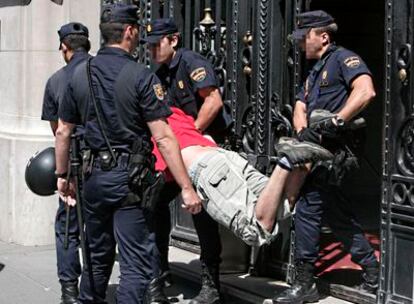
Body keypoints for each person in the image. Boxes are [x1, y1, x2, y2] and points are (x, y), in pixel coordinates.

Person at [54, 4, 201, 304]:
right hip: (130, 182)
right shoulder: (141, 76)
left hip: (92, 179)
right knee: (135, 262)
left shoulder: (79, 75)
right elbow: (163, 137)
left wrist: (61, 176)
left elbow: (63, 132)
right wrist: (186, 187)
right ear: (130, 31)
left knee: (95, 254)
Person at [272, 10, 379, 304]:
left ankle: (305, 284)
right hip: (316, 149)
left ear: (323, 36)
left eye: (304, 37)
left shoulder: (344, 59)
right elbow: (299, 106)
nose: (300, 44)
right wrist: (303, 132)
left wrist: (337, 121)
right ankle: (372, 270)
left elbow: (366, 91)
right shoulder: (314, 71)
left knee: (308, 206)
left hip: (337, 150)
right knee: (334, 212)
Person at [152, 106, 334, 247]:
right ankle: (313, 135)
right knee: (281, 205)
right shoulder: (171, 112)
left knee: (256, 230)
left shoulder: (148, 123)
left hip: (207, 169)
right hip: (224, 157)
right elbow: (205, 136)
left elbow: (165, 154)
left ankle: (286, 161)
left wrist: (186, 188)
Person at [141, 18, 228, 304]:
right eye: (149, 46)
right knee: (153, 204)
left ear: (174, 40)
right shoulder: (159, 73)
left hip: (202, 150)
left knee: (202, 217)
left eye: (157, 44)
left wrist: (193, 136)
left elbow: (213, 101)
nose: (152, 50)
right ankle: (160, 269)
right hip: (176, 156)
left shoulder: (191, 62)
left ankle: (211, 284)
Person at [41, 22, 91, 304]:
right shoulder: (103, 72)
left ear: (64, 47)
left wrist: (62, 172)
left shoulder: (56, 80)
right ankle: (91, 289)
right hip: (103, 161)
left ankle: (69, 292)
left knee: (68, 226)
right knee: (98, 228)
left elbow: (58, 129)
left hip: (72, 160)